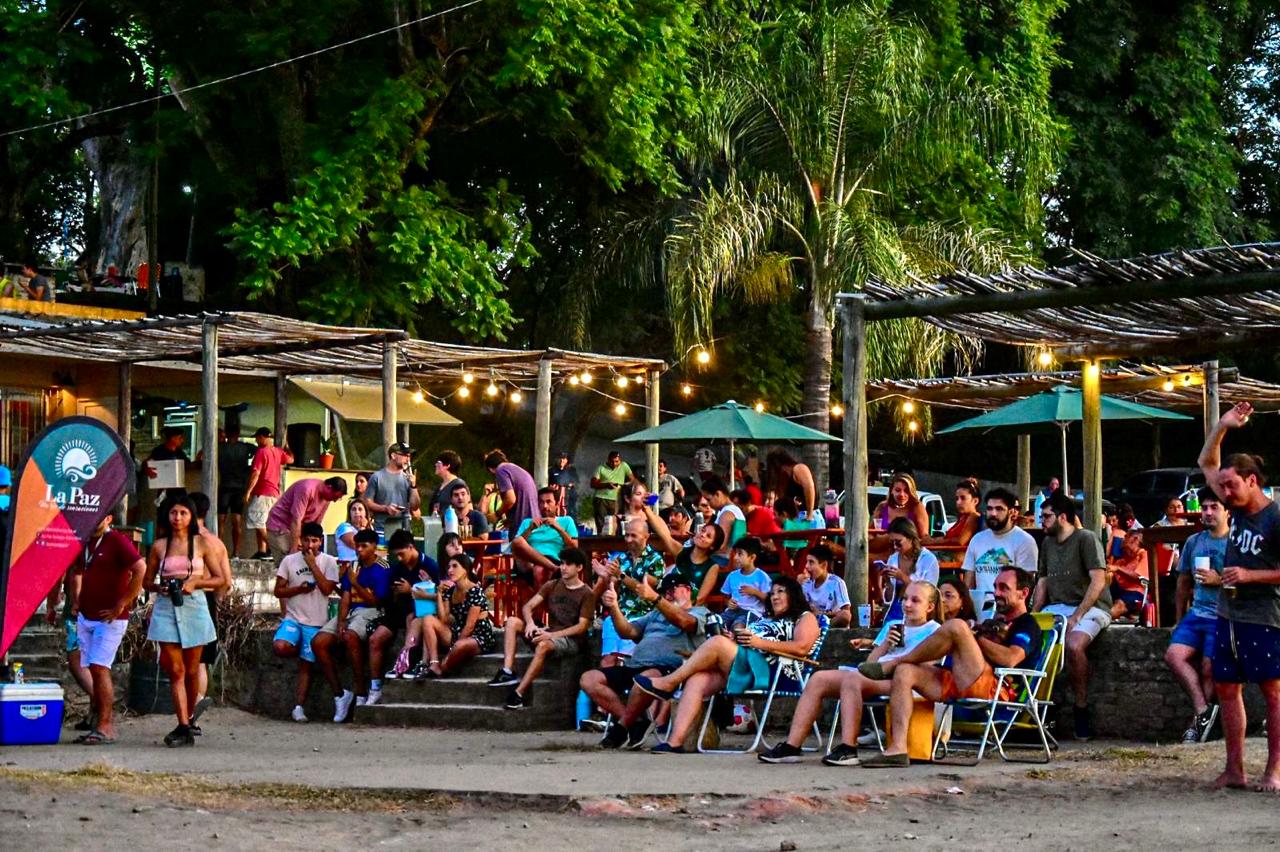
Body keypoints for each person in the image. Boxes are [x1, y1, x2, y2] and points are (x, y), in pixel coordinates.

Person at [858, 567, 1043, 767]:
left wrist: (974, 638)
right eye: (996, 587)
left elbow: (1010, 660)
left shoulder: (1028, 624)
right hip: (961, 678)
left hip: (997, 689)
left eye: (1004, 588)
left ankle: (894, 662)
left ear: (1023, 593)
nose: (996, 593)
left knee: (957, 626)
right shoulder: (993, 621)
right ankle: (898, 749)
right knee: (906, 673)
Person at [759, 581, 943, 765]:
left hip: (903, 682)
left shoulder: (934, 631)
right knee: (818, 679)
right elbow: (870, 663)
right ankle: (792, 746)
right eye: (905, 599)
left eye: (915, 600)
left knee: (852, 679)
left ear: (929, 607)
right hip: (876, 676)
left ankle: (849, 748)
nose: (907, 604)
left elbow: (927, 668)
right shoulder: (894, 625)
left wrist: (896, 663)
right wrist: (886, 644)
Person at [634, 575, 821, 755]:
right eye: (772, 593)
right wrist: (736, 640)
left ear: (794, 595)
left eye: (781, 591)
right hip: (746, 665)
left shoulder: (805, 617)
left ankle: (670, 682)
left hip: (770, 671)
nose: (775, 596)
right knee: (698, 679)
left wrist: (759, 643)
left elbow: (802, 647)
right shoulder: (767, 619)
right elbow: (751, 642)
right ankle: (675, 742)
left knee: (717, 642)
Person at [1198, 401, 1280, 791]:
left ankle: (1274, 770)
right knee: (1226, 686)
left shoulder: (1275, 518)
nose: (1224, 492)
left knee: (1273, 692)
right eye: (1224, 485)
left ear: (1252, 480)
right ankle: (1235, 768)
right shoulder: (1234, 503)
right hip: (1228, 612)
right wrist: (1223, 425)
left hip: (1264, 615)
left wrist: (1251, 575)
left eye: (1231, 485)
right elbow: (1206, 461)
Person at [587, 573, 709, 749]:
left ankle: (621, 728)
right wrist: (614, 607)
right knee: (589, 679)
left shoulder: (700, 612)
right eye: (664, 593)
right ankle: (635, 721)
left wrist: (654, 597)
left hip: (668, 669)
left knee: (643, 680)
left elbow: (685, 622)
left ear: (687, 590)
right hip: (634, 665)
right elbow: (627, 632)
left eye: (670, 591)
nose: (667, 597)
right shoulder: (655, 614)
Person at [144, 496, 226, 747]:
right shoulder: (159, 546)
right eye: (173, 513)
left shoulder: (201, 543)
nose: (177, 518)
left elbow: (220, 578)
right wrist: (162, 587)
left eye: (182, 513)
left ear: (191, 516)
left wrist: (195, 583)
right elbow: (147, 581)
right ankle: (182, 724)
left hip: (195, 606)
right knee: (176, 670)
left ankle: (189, 720)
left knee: (192, 670)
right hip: (167, 607)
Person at [1033, 490, 1110, 741]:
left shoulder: (1086, 539)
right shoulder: (1046, 543)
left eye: (1046, 516)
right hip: (1056, 607)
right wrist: (1032, 616)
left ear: (1062, 517)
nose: (1041, 521)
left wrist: (1079, 614)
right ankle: (1039, 709)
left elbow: (1098, 580)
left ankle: (1081, 708)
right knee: (1032, 643)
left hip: (1091, 606)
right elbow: (1042, 581)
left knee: (1075, 644)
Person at [68, 506, 145, 744]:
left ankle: (106, 726)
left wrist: (122, 603)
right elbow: (77, 571)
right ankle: (97, 721)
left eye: (99, 516)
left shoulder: (117, 541)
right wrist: (76, 600)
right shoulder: (87, 542)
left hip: (109, 619)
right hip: (87, 615)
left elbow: (140, 568)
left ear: (109, 518)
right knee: (92, 668)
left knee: (100, 668)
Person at [487, 548, 595, 710]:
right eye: (562, 564)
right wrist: (530, 623)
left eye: (568, 564)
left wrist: (550, 635)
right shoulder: (552, 585)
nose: (563, 568)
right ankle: (507, 670)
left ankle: (519, 694)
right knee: (512, 622)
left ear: (579, 568)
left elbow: (581, 627)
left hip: (570, 640)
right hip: (549, 631)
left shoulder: (587, 593)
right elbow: (528, 606)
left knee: (543, 645)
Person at [1165, 487, 1229, 744]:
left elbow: (1249, 583)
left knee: (1208, 667)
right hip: (1197, 613)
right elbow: (1182, 583)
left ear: (1227, 511)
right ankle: (1203, 712)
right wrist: (1179, 618)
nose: (1208, 513)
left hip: (1225, 614)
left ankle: (1197, 724)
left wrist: (1219, 580)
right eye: (1204, 508)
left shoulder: (1235, 543)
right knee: (1173, 656)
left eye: (1214, 508)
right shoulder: (1194, 542)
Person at [312, 528, 390, 721]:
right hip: (352, 610)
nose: (359, 550)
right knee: (318, 642)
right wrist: (340, 621)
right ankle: (340, 694)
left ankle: (361, 690)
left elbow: (376, 601)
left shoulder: (383, 567)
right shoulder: (353, 566)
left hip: (371, 611)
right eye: (357, 546)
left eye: (364, 546)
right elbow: (345, 596)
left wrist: (356, 584)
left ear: (374, 547)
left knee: (350, 636)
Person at [272, 521, 340, 723]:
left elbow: (328, 589)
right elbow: (278, 590)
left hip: (316, 621)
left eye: (315, 541)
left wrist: (312, 564)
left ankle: (299, 707)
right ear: (300, 541)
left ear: (321, 542)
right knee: (280, 646)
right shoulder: (289, 561)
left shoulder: (329, 562)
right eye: (307, 540)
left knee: (306, 665)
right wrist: (298, 589)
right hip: (293, 617)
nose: (310, 545)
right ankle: (301, 645)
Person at [590, 518, 666, 664]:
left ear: (646, 536)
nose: (629, 539)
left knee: (626, 660)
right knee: (607, 660)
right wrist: (607, 578)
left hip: (641, 618)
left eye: (633, 536)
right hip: (618, 615)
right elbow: (614, 589)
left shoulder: (655, 560)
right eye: (627, 535)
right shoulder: (621, 558)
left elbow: (644, 589)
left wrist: (621, 575)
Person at [372, 529, 439, 691]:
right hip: (397, 610)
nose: (399, 558)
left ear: (411, 547)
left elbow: (438, 595)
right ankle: (374, 686)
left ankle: (406, 660)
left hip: (421, 610)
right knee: (375, 638)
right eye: (397, 555)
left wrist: (411, 590)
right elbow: (390, 594)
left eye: (401, 554)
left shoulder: (429, 565)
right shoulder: (397, 568)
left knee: (411, 618)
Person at [961, 487, 1039, 619]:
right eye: (990, 509)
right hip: (979, 611)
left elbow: (1025, 586)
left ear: (1011, 512)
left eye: (999, 509)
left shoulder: (1024, 541)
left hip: (1008, 613)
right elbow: (968, 583)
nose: (993, 513)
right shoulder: (977, 539)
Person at [417, 552, 497, 678]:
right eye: (449, 567)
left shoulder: (475, 591)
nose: (450, 570)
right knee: (428, 619)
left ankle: (444, 667)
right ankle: (434, 663)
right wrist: (439, 595)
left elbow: (470, 626)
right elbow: (444, 618)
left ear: (465, 570)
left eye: (455, 566)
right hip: (457, 633)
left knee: (459, 646)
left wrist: (452, 650)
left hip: (478, 636)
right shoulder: (450, 591)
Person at [190, 492, 232, 724]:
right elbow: (226, 582)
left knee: (195, 661)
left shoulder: (195, 541)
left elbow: (223, 581)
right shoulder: (216, 542)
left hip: (196, 598)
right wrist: (217, 602)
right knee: (200, 662)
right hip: (208, 601)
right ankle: (193, 706)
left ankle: (192, 709)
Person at [265, 476, 348, 565]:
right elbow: (296, 520)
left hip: (299, 530)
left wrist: (312, 546)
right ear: (329, 487)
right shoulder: (307, 489)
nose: (334, 500)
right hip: (280, 526)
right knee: (288, 562)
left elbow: (315, 525)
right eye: (335, 497)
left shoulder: (327, 498)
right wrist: (294, 548)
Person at [650, 513, 725, 603]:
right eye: (703, 531)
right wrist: (647, 510)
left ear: (712, 546)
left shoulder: (712, 567)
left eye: (708, 536)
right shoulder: (681, 552)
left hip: (689, 610)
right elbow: (663, 534)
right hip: (667, 602)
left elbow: (700, 599)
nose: (702, 535)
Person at [512, 486, 579, 586]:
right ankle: (553, 568)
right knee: (518, 541)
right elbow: (516, 546)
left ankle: (540, 600)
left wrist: (558, 528)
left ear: (556, 504)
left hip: (555, 559)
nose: (545, 506)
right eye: (541, 502)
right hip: (528, 562)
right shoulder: (528, 522)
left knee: (539, 570)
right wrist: (530, 529)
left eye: (548, 502)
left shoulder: (566, 521)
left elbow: (574, 546)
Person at [244, 427, 294, 559]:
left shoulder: (261, 452)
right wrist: (287, 447)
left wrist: (248, 491)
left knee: (256, 519)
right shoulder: (278, 451)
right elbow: (291, 460)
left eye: (257, 437)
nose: (256, 440)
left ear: (262, 437)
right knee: (263, 522)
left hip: (262, 492)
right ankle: (262, 551)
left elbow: (256, 473)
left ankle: (275, 548)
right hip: (274, 493)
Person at [363, 442, 420, 538]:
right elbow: (367, 502)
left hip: (404, 529)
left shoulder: (408, 478)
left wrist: (413, 486)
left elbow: (415, 506)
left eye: (409, 456)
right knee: (382, 553)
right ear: (393, 455)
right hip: (382, 529)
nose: (408, 459)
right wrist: (385, 508)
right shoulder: (377, 477)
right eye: (405, 455)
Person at [719, 536, 773, 630]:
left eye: (740, 554)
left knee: (738, 627)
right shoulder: (732, 576)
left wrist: (755, 592)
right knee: (717, 625)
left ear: (752, 557)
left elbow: (770, 600)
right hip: (732, 611)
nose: (735, 557)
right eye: (735, 553)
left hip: (751, 612)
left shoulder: (762, 577)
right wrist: (728, 602)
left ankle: (734, 644)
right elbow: (725, 596)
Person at [216, 427, 254, 556]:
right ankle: (236, 552)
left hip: (225, 486)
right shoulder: (245, 447)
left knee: (220, 520)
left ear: (226, 434)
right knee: (236, 521)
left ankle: (218, 550)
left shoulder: (220, 447)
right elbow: (261, 452)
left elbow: (201, 456)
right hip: (239, 487)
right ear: (238, 435)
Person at [882, 517, 941, 599]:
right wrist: (888, 581)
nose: (895, 546)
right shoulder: (893, 558)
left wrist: (903, 577)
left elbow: (928, 595)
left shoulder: (928, 559)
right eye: (892, 542)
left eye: (898, 542)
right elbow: (890, 599)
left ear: (910, 539)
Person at [485, 449, 539, 535]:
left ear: (491, 469)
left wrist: (496, 514)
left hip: (522, 527)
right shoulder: (518, 470)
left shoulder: (501, 470)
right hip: (534, 521)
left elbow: (510, 499)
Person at [801, 544, 851, 627]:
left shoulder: (836, 582)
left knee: (844, 616)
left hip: (832, 622)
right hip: (813, 622)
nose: (806, 566)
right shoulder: (806, 584)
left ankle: (823, 629)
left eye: (811, 562)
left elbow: (846, 612)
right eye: (807, 562)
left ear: (824, 565)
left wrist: (821, 613)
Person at [591, 450, 637, 533]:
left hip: (617, 499)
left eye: (616, 462)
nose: (614, 464)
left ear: (620, 460)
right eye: (612, 461)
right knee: (601, 524)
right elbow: (593, 483)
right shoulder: (601, 467)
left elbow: (632, 480)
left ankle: (614, 542)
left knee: (616, 522)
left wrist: (624, 486)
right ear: (608, 460)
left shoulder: (624, 466)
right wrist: (606, 485)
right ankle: (601, 541)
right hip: (601, 498)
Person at [702, 476, 746, 563]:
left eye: (708, 499)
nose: (707, 503)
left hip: (722, 560)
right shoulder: (730, 511)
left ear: (718, 494)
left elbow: (721, 545)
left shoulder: (727, 513)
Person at [872, 473, 930, 538]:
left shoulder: (917, 507)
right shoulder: (882, 506)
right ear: (891, 491)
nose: (902, 494)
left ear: (911, 492)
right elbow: (871, 533)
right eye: (898, 490)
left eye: (906, 491)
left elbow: (924, 537)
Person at [1107, 530, 1148, 619]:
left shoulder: (1144, 555)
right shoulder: (1122, 560)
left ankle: (1099, 620)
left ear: (1135, 539)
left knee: (1119, 605)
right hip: (1118, 590)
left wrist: (1118, 569)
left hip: (1135, 591)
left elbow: (1139, 576)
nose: (1123, 539)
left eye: (1126, 536)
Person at [765, 449, 817, 517]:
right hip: (794, 518)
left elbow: (809, 487)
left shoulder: (798, 468)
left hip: (807, 515)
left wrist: (809, 514)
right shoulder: (784, 479)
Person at [938, 478, 982, 548]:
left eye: (963, 498)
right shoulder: (962, 517)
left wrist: (933, 541)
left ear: (975, 501)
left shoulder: (973, 516)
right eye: (957, 498)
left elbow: (960, 541)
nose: (958, 502)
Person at [334, 499, 373, 570]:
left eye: (360, 509)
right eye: (353, 509)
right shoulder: (344, 527)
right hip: (347, 568)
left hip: (364, 567)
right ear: (349, 513)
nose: (357, 512)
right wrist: (363, 527)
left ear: (365, 513)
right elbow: (355, 544)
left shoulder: (370, 529)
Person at [430, 450, 467, 515]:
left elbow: (467, 510)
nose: (435, 465)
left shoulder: (458, 484)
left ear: (447, 465)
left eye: (438, 463)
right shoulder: (440, 487)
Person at [548, 451, 579, 517]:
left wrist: (568, 485)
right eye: (560, 458)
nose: (562, 460)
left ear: (567, 460)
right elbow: (547, 484)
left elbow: (576, 482)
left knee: (570, 514)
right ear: (556, 459)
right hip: (555, 498)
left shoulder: (571, 470)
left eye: (564, 458)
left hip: (569, 498)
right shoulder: (551, 470)